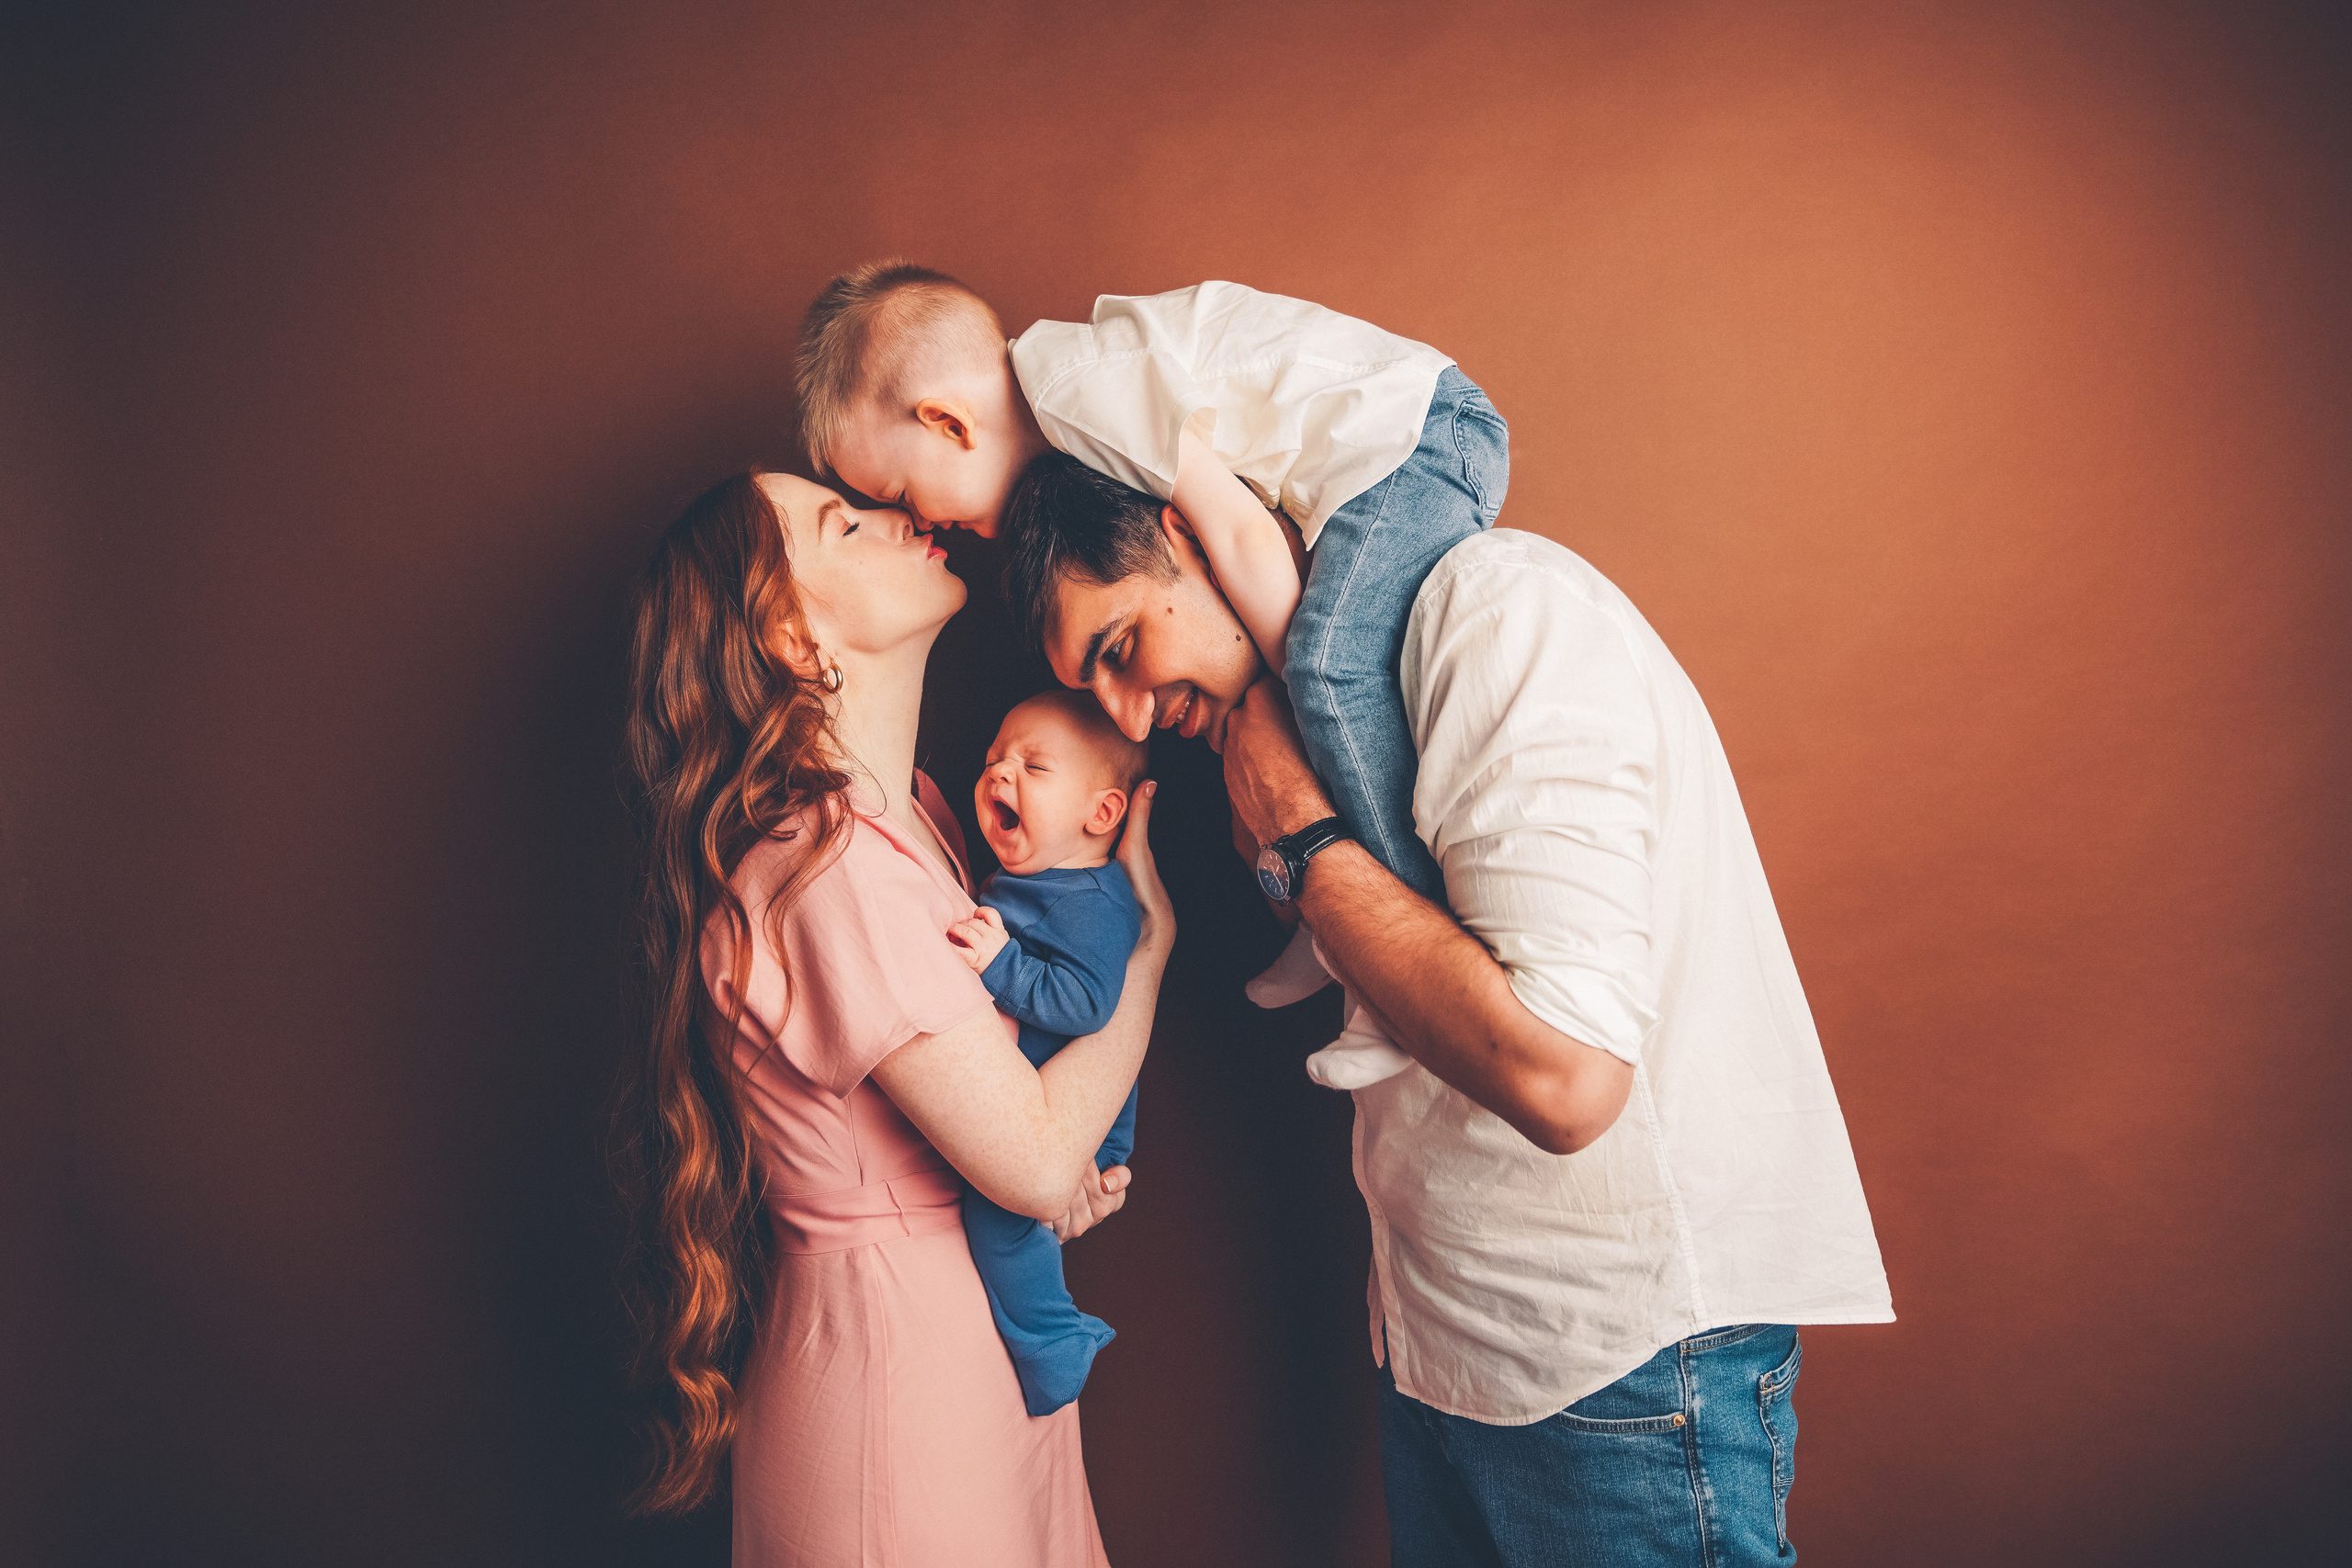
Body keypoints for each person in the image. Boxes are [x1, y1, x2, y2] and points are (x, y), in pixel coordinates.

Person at [1001, 468, 1894, 1566]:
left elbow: (1566, 1081)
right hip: (1441, 1352)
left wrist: (1298, 833)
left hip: (1620, 1371)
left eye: (1121, 643)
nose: (1133, 714)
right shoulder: (1316, 723)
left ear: (1191, 537)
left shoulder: (1496, 618)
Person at [614, 471, 1170, 1567]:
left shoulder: (911, 816)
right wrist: (1147, 953)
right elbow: (1030, 1157)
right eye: (846, 524)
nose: (904, 519)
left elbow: (1001, 1137)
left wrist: (1059, 1182)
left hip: (970, 1354)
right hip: (898, 1381)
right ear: (788, 627)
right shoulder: (825, 863)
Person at [796, 262, 1508, 1085]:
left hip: (1423, 437)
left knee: (1328, 665)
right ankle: (1331, 936)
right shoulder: (1081, 421)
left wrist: (1294, 695)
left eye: (900, 491)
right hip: (1385, 454)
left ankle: (1402, 957)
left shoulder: (1078, 395)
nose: (921, 521)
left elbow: (1235, 534)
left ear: (949, 423)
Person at [946, 690, 1149, 1416]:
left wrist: (1002, 963)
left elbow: (1089, 1003)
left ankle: (1054, 1341)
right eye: (996, 758)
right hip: (1050, 1097)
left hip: (1084, 1111)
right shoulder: (1044, 880)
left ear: (1101, 814)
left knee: (996, 1217)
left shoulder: (1091, 900)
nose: (1002, 773)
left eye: (1033, 766)